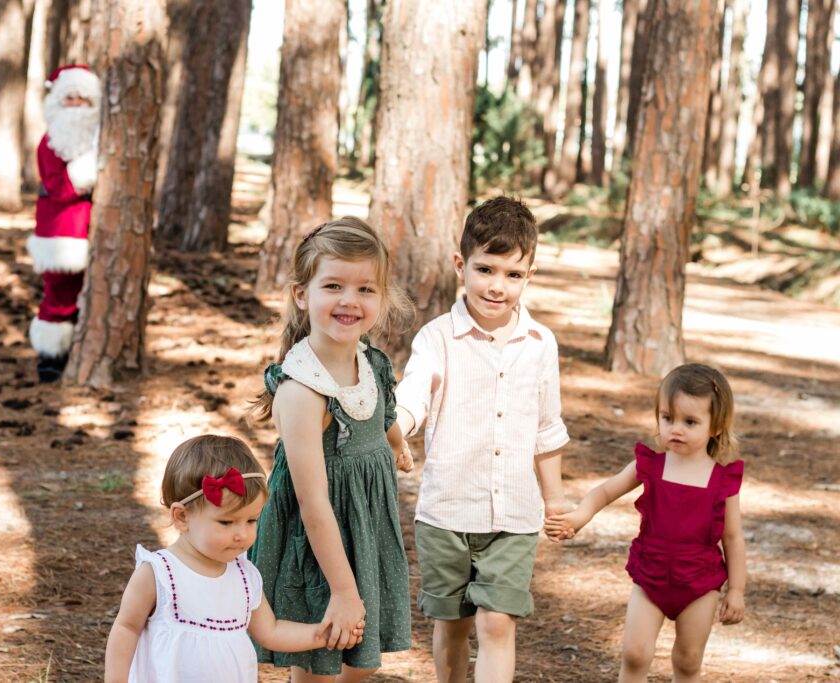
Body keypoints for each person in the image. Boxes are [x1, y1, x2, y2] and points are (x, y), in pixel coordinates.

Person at [392, 195, 571, 683]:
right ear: (460, 265)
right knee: (451, 626)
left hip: (514, 515)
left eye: (513, 275)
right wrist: (397, 426)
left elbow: (546, 427)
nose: (498, 286)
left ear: (529, 275)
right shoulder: (437, 338)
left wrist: (554, 500)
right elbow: (414, 394)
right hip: (446, 512)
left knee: (496, 623)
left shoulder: (541, 345)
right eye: (485, 269)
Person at [249, 217, 414, 681]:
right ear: (302, 294)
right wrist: (342, 590)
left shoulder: (372, 361)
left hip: (365, 529)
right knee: (320, 661)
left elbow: (382, 417)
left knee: (360, 656)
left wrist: (397, 446)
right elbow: (312, 501)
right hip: (319, 542)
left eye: (366, 289)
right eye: (334, 285)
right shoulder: (304, 392)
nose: (350, 300)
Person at [104, 435, 363, 683]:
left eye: (251, 520)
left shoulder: (244, 575)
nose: (241, 534)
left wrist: (323, 634)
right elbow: (126, 628)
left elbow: (271, 631)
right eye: (226, 522)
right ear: (182, 517)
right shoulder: (158, 573)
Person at [545, 363, 746, 683]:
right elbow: (606, 490)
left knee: (688, 659)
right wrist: (581, 515)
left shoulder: (722, 481)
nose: (675, 429)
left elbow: (733, 539)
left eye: (690, 421)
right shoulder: (651, 465)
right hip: (650, 576)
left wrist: (736, 589)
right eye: (667, 418)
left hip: (699, 582)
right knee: (635, 653)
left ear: (716, 426)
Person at [26, 64, 101, 383]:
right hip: (61, 230)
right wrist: (90, 168)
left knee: (90, 293)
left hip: (91, 228)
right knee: (59, 292)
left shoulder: (96, 139)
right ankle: (51, 354)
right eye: (68, 98)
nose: (75, 105)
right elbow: (60, 187)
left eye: (82, 99)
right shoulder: (50, 142)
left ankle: (78, 345)